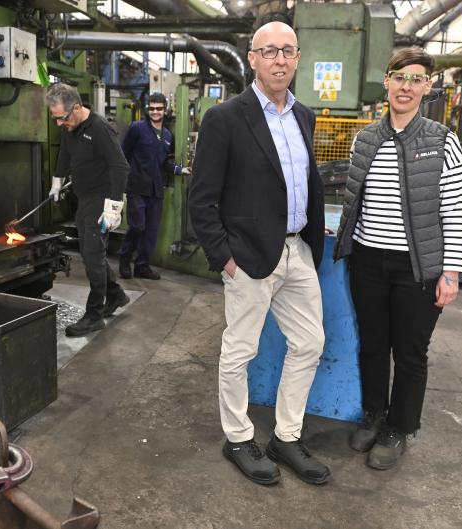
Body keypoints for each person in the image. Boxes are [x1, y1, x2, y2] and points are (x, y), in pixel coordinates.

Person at [189, 21, 329, 486]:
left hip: (296, 251)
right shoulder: (226, 118)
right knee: (239, 351)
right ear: (252, 58)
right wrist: (225, 258)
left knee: (309, 343)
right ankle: (237, 437)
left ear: (298, 58)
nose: (280, 60)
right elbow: (201, 198)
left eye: (288, 51)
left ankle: (286, 437)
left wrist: (311, 241)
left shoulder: (304, 116)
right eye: (269, 51)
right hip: (248, 257)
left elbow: (306, 185)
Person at [334, 47, 462, 470]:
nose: (405, 86)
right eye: (399, 77)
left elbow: (457, 208)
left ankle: (399, 427)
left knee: (410, 352)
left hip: (418, 267)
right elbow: (355, 198)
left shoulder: (442, 141)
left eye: (415, 79)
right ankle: (374, 415)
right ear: (386, 82)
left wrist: (451, 272)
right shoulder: (365, 138)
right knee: (372, 344)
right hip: (369, 261)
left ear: (427, 87)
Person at [46, 83, 131, 337]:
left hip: (101, 199)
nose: (60, 124)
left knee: (92, 256)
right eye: (55, 119)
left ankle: (94, 315)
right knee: (89, 251)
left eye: (62, 118)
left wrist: (114, 206)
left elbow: (120, 167)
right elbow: (65, 152)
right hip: (84, 198)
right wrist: (57, 180)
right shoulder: (70, 127)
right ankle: (115, 295)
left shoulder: (100, 129)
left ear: (77, 107)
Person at [118, 93, 190, 280]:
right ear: (147, 109)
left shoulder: (167, 135)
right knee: (137, 226)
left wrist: (179, 170)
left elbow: (164, 162)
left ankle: (142, 265)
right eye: (152, 108)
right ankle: (125, 258)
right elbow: (123, 154)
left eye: (159, 108)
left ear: (165, 110)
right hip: (137, 187)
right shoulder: (137, 129)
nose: (155, 112)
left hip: (156, 189)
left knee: (151, 230)